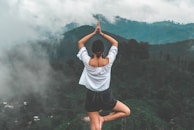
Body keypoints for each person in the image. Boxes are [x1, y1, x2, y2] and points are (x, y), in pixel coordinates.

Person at [77, 21, 130, 130]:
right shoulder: (108, 61)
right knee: (126, 111)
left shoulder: (87, 62)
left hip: (91, 97)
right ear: (102, 51)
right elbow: (115, 43)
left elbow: (80, 43)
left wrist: (94, 33)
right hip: (105, 96)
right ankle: (103, 119)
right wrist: (101, 33)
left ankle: (100, 120)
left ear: (92, 50)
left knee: (94, 127)